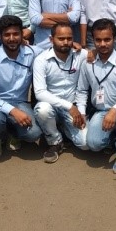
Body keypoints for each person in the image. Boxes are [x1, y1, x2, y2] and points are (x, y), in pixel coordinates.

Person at [76, 19, 116, 173]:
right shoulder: (88, 63)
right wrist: (81, 113)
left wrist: (114, 110)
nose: (102, 44)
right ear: (93, 40)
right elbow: (82, 90)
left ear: (114, 39)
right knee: (93, 144)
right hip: (101, 111)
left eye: (107, 39)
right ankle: (114, 136)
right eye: (98, 40)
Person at [0, 16, 43, 159]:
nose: (12, 38)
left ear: (22, 35)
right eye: (7, 35)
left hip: (19, 102)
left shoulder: (31, 52)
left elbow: (54, 50)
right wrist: (13, 111)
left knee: (34, 133)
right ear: (0, 37)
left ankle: (13, 132)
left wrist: (75, 46)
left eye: (16, 34)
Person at [33, 23, 88, 163]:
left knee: (85, 144)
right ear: (51, 39)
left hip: (73, 107)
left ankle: (63, 129)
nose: (66, 42)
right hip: (52, 105)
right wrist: (69, 106)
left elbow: (97, 54)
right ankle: (55, 141)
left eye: (69, 38)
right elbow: (39, 93)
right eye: (61, 38)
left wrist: (80, 111)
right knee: (42, 109)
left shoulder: (80, 55)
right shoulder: (41, 60)